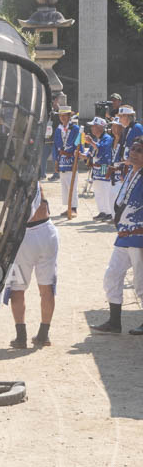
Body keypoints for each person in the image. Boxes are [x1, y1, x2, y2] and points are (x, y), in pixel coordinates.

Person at [90, 138, 143, 335]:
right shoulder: (130, 172)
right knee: (112, 275)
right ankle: (114, 322)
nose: (134, 152)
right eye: (133, 149)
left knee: (141, 282)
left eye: (139, 150)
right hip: (123, 235)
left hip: (139, 237)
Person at [5, 182, 59, 348]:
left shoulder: (11, 178)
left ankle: (21, 337)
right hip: (47, 231)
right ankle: (43, 334)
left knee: (17, 287)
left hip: (25, 236)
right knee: (47, 287)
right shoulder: (36, 181)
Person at [82, 117, 115, 221]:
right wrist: (82, 155)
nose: (92, 128)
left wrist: (91, 142)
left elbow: (102, 150)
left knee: (105, 188)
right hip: (95, 168)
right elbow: (90, 153)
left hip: (104, 166)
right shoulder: (96, 139)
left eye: (94, 126)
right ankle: (102, 211)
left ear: (101, 127)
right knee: (97, 189)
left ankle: (109, 212)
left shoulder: (107, 138)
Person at [52, 105, 80, 216]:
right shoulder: (58, 130)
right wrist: (56, 161)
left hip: (71, 159)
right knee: (64, 185)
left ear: (69, 116)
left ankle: (74, 208)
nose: (62, 118)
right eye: (61, 116)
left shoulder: (75, 129)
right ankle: (68, 206)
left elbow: (78, 144)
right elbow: (55, 146)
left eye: (65, 115)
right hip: (61, 161)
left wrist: (75, 155)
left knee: (72, 184)